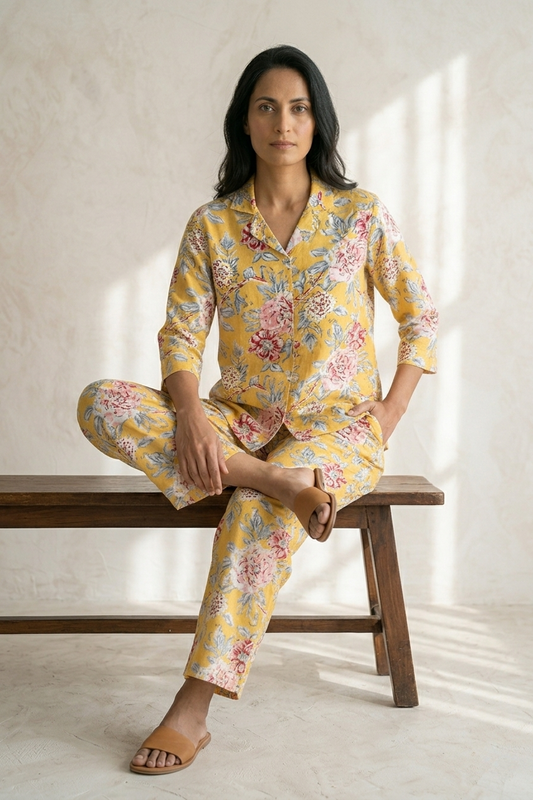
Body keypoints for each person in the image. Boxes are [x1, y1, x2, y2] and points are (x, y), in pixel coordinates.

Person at [77, 44, 438, 775]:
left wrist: (387, 416)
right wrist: (191, 416)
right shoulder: (212, 225)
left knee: (249, 513)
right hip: (236, 423)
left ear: (318, 121)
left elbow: (420, 318)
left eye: (299, 107)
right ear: (244, 122)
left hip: (336, 433)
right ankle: (271, 481)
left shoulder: (358, 216)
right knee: (101, 403)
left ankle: (193, 706)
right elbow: (179, 337)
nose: (283, 122)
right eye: (267, 106)